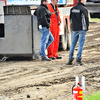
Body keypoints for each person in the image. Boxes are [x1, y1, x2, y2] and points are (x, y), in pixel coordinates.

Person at [66, 0, 89, 65]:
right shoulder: (83, 9)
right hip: (82, 29)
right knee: (80, 44)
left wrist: (72, 27)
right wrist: (86, 28)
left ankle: (70, 59)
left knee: (73, 44)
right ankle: (78, 60)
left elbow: (71, 19)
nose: (85, 1)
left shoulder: (72, 9)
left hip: (74, 29)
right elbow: (85, 20)